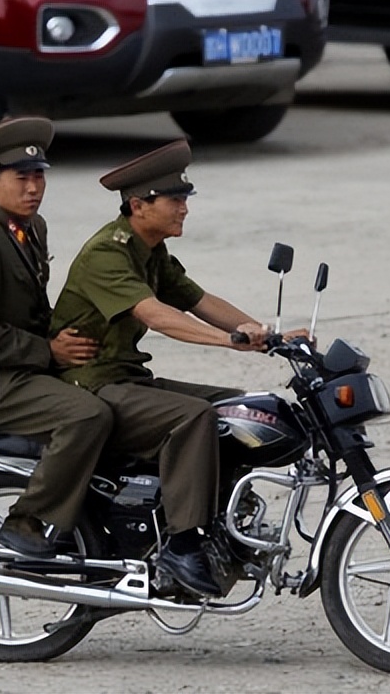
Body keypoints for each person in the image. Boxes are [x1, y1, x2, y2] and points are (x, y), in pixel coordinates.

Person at [50, 139, 293, 598]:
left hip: (126, 378)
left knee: (235, 409)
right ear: (139, 205)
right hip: (91, 384)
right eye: (175, 200)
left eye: (184, 199)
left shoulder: (151, 251)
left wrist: (265, 333)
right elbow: (157, 316)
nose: (184, 209)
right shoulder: (108, 252)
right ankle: (182, 545)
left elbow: (200, 301)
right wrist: (229, 341)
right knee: (192, 417)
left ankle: (219, 523)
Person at [0, 117, 112, 558]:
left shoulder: (30, 228)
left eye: (39, 176)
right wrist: (48, 352)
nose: (34, 188)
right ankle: (26, 519)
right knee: (86, 416)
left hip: (27, 369)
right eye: (22, 178)